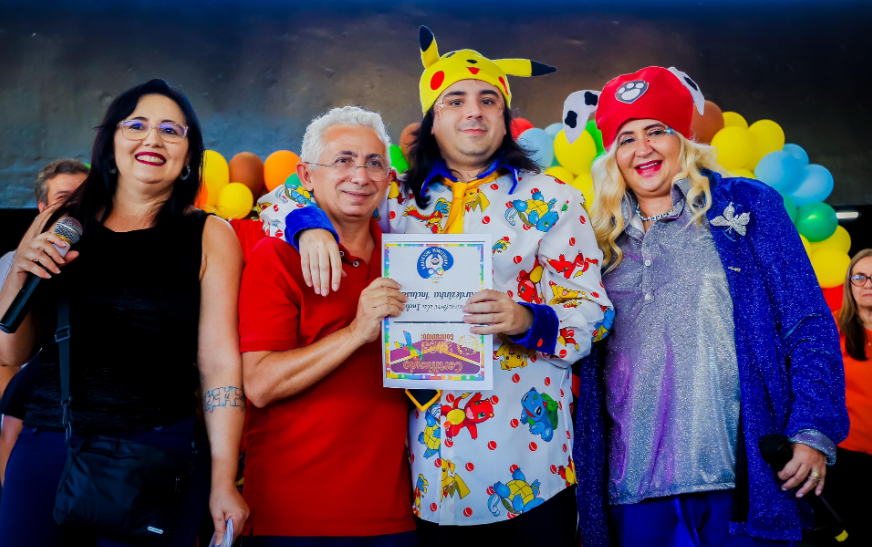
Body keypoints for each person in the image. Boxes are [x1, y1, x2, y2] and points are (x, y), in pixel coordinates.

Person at [258, 27, 612, 545]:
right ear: (432, 119)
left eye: (488, 100)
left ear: (505, 118)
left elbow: (594, 315)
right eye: (455, 100)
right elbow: (276, 202)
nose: (474, 111)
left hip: (527, 466)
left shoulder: (553, 199)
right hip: (423, 472)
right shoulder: (392, 194)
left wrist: (526, 318)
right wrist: (308, 226)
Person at [564, 67, 849, 546]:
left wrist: (811, 428)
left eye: (657, 131)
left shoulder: (748, 205)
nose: (643, 148)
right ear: (612, 155)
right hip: (631, 485)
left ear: (684, 138)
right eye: (627, 138)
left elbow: (807, 323)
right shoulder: (594, 238)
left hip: (740, 479)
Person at [0, 79, 248, 546]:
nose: (153, 138)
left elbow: (219, 366)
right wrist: (19, 273)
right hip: (49, 443)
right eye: (136, 125)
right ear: (110, 143)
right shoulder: (60, 223)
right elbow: (12, 351)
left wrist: (222, 479)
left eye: (171, 130)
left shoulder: (211, 235)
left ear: (188, 156)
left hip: (154, 452)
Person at [238, 106, 415, 545]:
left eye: (374, 163)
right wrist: (356, 332)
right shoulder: (276, 257)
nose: (361, 176)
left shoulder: (411, 259)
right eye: (343, 160)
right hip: (295, 513)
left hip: (394, 513)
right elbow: (260, 384)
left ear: (389, 178)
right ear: (307, 175)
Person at [0, 159, 89, 487]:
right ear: (42, 208)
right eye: (64, 198)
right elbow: (6, 358)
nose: (76, 205)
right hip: (31, 400)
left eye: (84, 196)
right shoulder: (11, 264)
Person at [825, 249, 872, 545]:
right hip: (850, 458)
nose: (868, 284)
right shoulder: (832, 328)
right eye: (860, 277)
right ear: (849, 283)